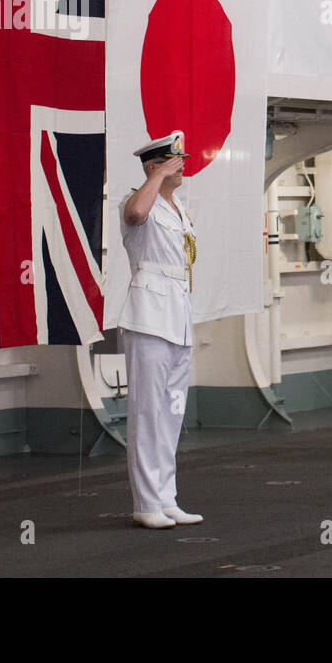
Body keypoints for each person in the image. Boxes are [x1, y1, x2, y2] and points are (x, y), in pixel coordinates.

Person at [118, 131, 203, 529]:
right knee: (148, 413)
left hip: (178, 316)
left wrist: (163, 179)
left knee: (170, 413)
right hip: (149, 316)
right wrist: (155, 177)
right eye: (173, 160)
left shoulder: (178, 208)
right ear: (154, 166)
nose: (181, 164)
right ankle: (146, 503)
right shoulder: (138, 200)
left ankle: (166, 498)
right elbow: (135, 215)